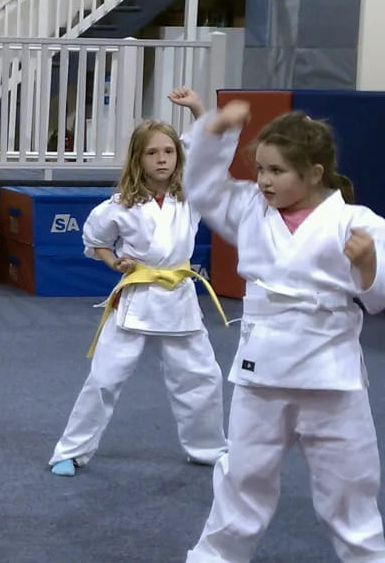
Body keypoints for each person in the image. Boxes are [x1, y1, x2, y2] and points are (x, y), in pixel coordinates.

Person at [183, 101, 385, 562]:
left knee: (351, 485)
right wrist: (214, 132)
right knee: (243, 477)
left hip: (332, 373)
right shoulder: (249, 208)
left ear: (315, 173)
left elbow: (378, 299)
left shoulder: (358, 223)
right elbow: (203, 188)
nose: (264, 181)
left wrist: (369, 264)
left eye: (277, 171)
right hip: (263, 366)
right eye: (259, 169)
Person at [48, 87, 227, 477]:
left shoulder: (189, 195)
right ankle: (71, 451)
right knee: (104, 378)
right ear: (138, 158)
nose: (162, 159)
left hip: (179, 296)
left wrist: (198, 107)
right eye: (152, 153)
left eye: (169, 151)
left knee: (202, 377)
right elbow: (95, 240)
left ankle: (208, 447)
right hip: (136, 299)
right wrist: (115, 262)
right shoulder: (120, 205)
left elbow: (208, 152)